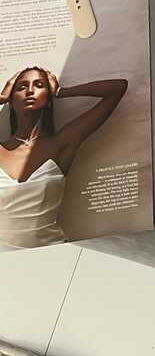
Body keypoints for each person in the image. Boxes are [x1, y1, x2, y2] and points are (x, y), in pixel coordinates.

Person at [0, 65, 128, 249]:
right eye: (21, 87)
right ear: (12, 101)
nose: (30, 91)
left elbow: (118, 88)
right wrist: (2, 98)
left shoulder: (61, 144)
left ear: (48, 99)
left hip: (53, 252)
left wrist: (62, 92)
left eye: (39, 85)